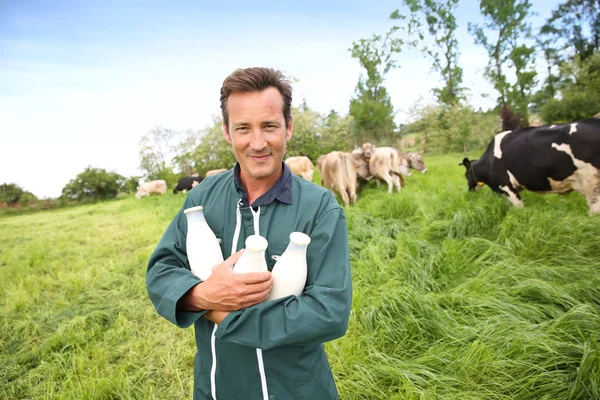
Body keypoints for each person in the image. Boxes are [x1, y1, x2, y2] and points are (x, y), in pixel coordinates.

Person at [146, 67, 352, 400]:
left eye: (269, 126)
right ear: (227, 132)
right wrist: (202, 295)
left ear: (288, 127)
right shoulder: (201, 199)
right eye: (243, 128)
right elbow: (162, 271)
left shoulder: (320, 207)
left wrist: (224, 314)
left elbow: (329, 312)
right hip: (216, 388)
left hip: (297, 391)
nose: (257, 143)